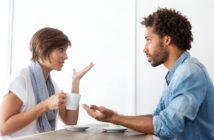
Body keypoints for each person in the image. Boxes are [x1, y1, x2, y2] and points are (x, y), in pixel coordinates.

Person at [82, 8, 214, 140]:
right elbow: (158, 118)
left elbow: (167, 126)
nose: (144, 48)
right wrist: (114, 117)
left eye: (148, 39)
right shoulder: (175, 74)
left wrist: (116, 118)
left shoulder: (189, 72)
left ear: (167, 40)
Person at [0, 27, 94, 138]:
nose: (66, 56)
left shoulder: (53, 86)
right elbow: (3, 128)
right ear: (41, 48)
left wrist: (75, 83)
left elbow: (71, 122)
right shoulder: (21, 79)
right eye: (61, 49)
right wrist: (45, 105)